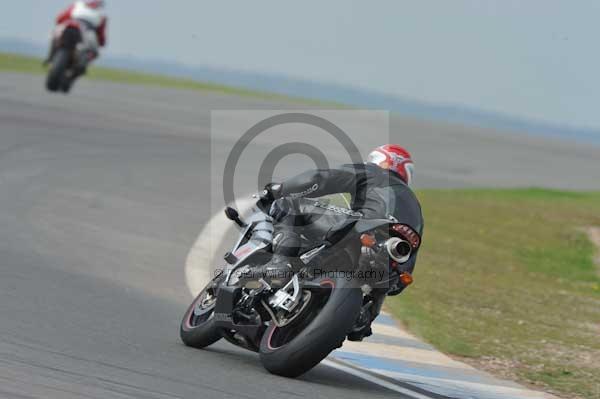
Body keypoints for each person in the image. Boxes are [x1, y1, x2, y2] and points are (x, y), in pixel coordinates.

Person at [258, 144, 424, 340]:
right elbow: (405, 271)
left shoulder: (373, 172)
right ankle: (364, 317)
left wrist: (282, 189)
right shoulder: (416, 209)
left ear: (381, 159)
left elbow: (322, 179)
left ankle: (280, 263)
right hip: (383, 256)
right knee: (387, 279)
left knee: (288, 204)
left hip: (359, 229)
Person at [45, 1, 107, 89]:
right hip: (80, 32)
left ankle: (51, 59)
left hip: (75, 31)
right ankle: (72, 70)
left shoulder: (77, 6)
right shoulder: (100, 15)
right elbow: (101, 37)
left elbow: (60, 18)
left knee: (55, 36)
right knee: (93, 53)